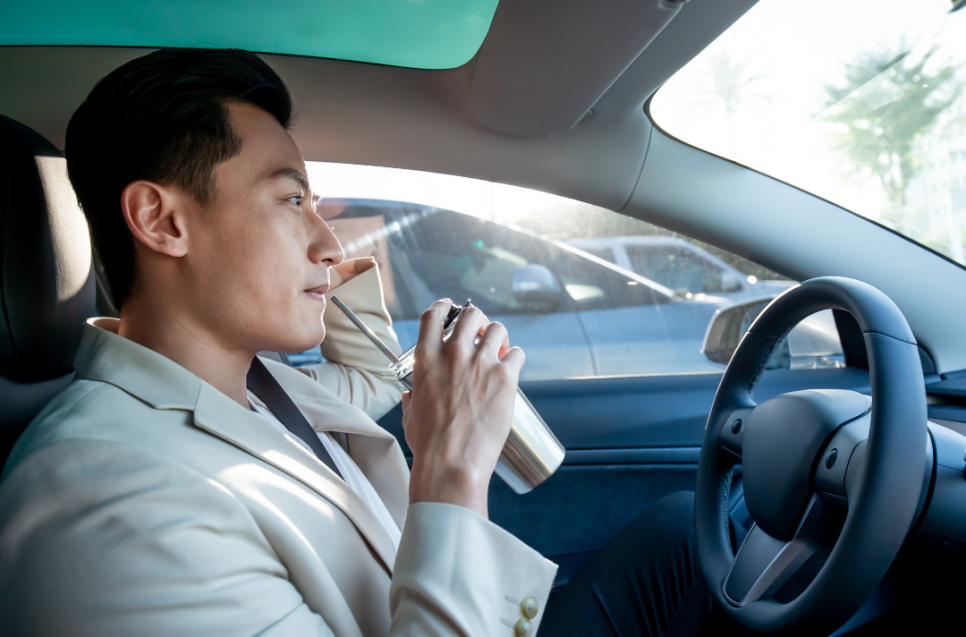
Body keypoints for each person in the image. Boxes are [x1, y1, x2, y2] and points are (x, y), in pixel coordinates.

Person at [0, 48, 711, 637]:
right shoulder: (106, 500)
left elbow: (373, 376)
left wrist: (318, 276)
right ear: (162, 222)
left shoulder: (261, 386)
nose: (330, 242)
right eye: (291, 199)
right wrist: (452, 472)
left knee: (681, 532)